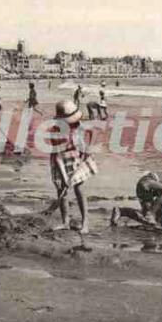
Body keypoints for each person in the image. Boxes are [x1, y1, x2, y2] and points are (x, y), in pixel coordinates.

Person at [49, 99, 97, 234]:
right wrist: (64, 178)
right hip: (60, 160)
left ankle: (85, 222)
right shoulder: (55, 131)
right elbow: (58, 156)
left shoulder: (78, 125)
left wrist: (88, 148)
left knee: (79, 188)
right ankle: (65, 221)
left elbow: (92, 131)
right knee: (61, 188)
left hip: (77, 158)